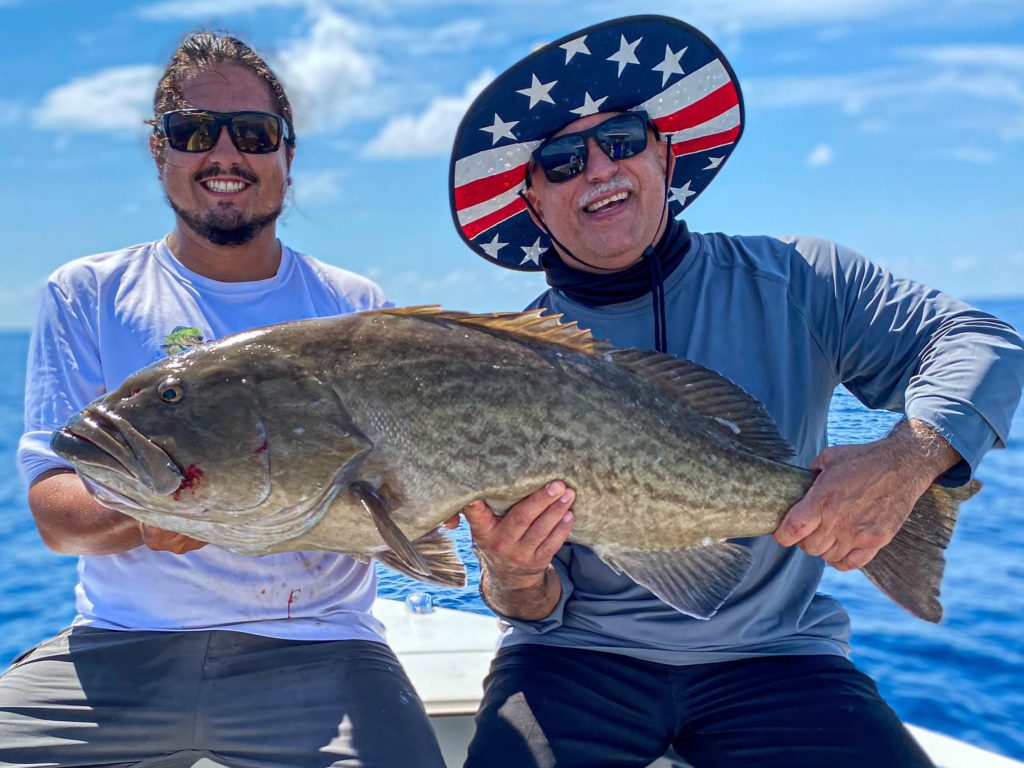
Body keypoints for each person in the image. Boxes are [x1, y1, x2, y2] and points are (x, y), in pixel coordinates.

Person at [445, 14, 1024, 768]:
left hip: (779, 657)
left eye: (620, 141)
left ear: (665, 154)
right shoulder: (505, 361)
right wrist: (512, 573)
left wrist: (908, 460)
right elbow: (533, 607)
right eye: (560, 161)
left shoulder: (801, 279)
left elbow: (985, 342)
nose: (597, 170)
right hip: (573, 661)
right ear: (533, 201)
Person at [1, 31, 445, 768]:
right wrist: (147, 520)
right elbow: (55, 507)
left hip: (321, 649)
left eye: (254, 133)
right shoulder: (86, 292)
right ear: (159, 151)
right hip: (120, 644)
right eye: (194, 131)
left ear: (287, 155)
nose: (225, 153)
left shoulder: (355, 307)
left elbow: (404, 507)